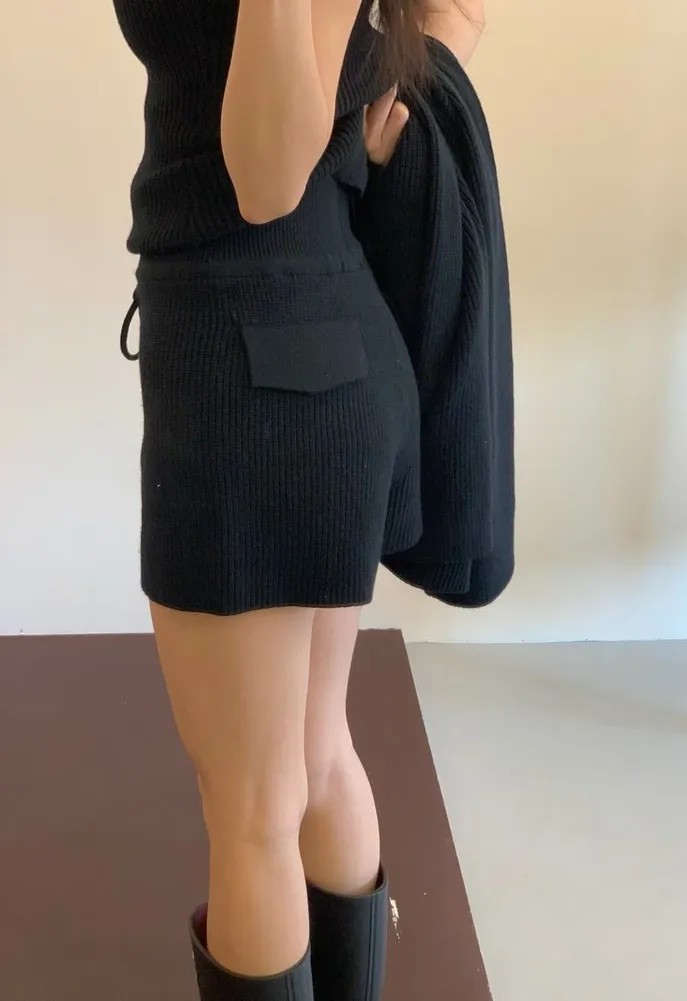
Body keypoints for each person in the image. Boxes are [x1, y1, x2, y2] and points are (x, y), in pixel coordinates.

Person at [113, 1, 493, 999]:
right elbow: (457, 18)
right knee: (314, 759)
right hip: (331, 347)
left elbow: (265, 176)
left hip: (255, 369)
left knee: (253, 810)